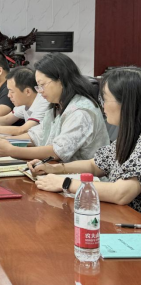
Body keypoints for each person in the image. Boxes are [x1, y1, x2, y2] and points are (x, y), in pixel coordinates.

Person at [30, 67, 141, 212]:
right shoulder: (129, 135)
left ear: (127, 103)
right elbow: (95, 165)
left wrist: (66, 183)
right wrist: (54, 169)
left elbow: (121, 194)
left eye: (105, 99)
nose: (102, 105)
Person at [0, 53, 109, 162]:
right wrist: (5, 140)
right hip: (58, 170)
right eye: (38, 86)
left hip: (84, 176)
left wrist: (12, 150)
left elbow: (57, 151)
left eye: (42, 85)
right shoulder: (56, 105)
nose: (40, 91)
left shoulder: (80, 111)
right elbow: (37, 136)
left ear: (61, 80)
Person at [0, 67, 51, 136]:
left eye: (12, 91)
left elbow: (22, 130)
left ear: (28, 92)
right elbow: (6, 119)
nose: (8, 95)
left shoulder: (43, 102)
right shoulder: (24, 102)